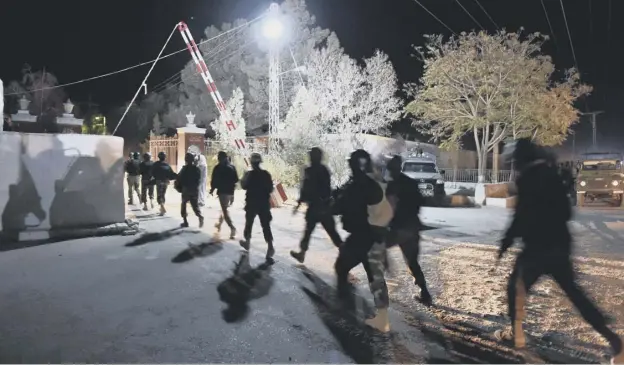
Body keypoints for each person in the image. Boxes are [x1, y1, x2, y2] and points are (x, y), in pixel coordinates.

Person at [495, 138, 623, 364]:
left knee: (515, 288)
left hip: (536, 249)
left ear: (520, 159)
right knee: (575, 294)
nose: (513, 164)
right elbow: (566, 213)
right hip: (560, 246)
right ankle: (613, 339)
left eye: (513, 161)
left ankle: (516, 335)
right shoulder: (551, 173)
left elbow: (520, 217)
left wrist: (506, 243)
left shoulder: (528, 178)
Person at [332, 149, 393, 333]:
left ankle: (346, 307)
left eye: (351, 162)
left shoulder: (361, 185)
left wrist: (335, 202)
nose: (349, 164)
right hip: (371, 236)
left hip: (363, 236)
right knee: (374, 276)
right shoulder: (366, 183)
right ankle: (381, 317)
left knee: (342, 267)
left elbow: (342, 206)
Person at [385, 155, 432, 306]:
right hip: (413, 228)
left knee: (375, 246)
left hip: (399, 229)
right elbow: (420, 202)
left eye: (390, 169)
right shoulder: (411, 183)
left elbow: (389, 208)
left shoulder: (391, 186)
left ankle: (383, 280)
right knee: (412, 262)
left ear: (392, 170)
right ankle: (425, 293)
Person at [290, 147, 343, 263]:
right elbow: (327, 189)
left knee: (308, 232)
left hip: (315, 207)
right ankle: (345, 252)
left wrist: (298, 204)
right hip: (325, 206)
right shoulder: (324, 169)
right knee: (332, 232)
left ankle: (302, 254)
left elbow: (305, 189)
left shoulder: (309, 170)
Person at [239, 153, 275, 262]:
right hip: (263, 203)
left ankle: (247, 243)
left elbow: (244, 186)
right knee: (266, 225)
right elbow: (270, 189)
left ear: (251, 163)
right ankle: (270, 247)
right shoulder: (266, 174)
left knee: (249, 223)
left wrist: (244, 177)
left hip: (252, 203)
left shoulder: (249, 174)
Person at [210, 151, 239, 239]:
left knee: (225, 211)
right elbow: (236, 180)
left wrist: (212, 190)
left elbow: (214, 181)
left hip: (223, 192)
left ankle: (232, 228)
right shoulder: (232, 167)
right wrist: (233, 193)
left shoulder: (218, 168)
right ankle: (219, 224)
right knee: (224, 209)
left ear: (219, 158)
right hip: (230, 192)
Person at [175, 153, 204, 228]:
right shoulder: (196, 169)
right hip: (194, 189)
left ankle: (185, 221)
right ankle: (200, 216)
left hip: (186, 189)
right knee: (195, 205)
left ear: (186, 160)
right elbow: (199, 179)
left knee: (184, 204)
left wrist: (178, 186)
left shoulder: (184, 169)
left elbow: (179, 178)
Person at [151, 151, 177, 216]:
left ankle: (162, 207)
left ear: (158, 157)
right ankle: (162, 209)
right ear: (165, 157)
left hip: (159, 181)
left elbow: (152, 172)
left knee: (159, 195)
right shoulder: (167, 165)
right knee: (163, 194)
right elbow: (171, 173)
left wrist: (155, 178)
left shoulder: (155, 164)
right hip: (165, 181)